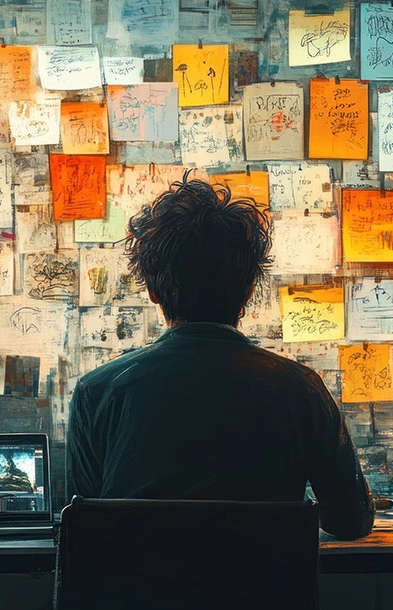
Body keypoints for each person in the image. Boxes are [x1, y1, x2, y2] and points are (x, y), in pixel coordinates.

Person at [66, 172, 374, 540]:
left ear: (152, 291)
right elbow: (350, 521)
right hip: (263, 599)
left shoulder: (97, 392)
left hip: (135, 598)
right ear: (247, 292)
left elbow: (82, 528)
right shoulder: (301, 389)